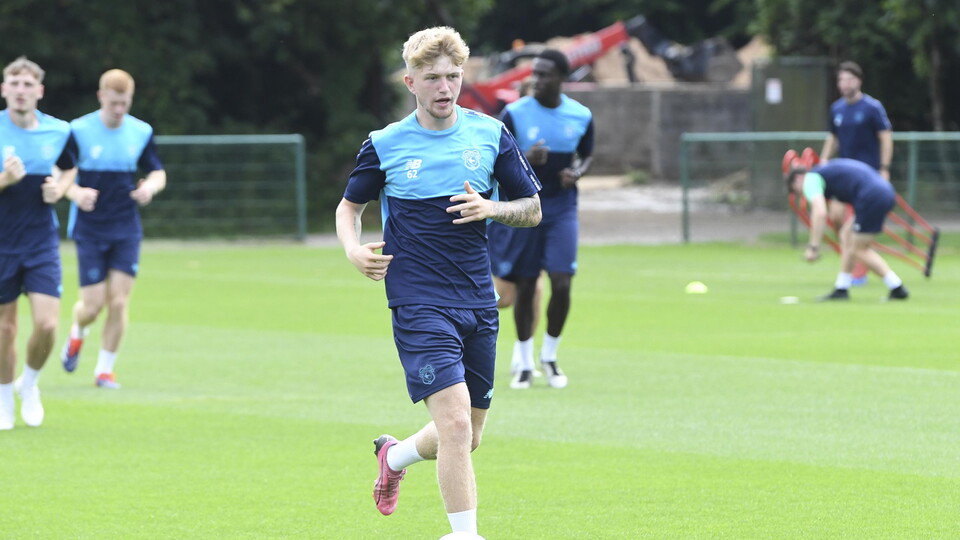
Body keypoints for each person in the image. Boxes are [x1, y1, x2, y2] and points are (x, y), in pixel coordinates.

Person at [334, 27, 541, 537]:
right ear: (411, 82)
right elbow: (349, 208)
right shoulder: (385, 144)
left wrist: (491, 207)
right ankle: (464, 534)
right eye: (432, 78)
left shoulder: (490, 134)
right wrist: (352, 249)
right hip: (417, 300)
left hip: (476, 296)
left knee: (467, 435)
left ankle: (395, 454)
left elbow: (533, 209)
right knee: (452, 424)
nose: (445, 87)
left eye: (452, 76)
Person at [59, 68, 166, 389]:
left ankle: (104, 371)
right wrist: (75, 192)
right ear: (101, 97)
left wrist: (150, 188)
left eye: (126, 103)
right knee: (92, 307)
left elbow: (158, 172)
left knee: (119, 302)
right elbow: (59, 171)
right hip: (90, 228)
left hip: (125, 227)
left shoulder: (141, 132)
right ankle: (77, 333)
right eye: (114, 103)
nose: (120, 110)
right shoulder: (78, 131)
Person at [498, 49, 594, 390]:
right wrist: (524, 157)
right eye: (534, 74)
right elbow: (496, 158)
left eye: (544, 75)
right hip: (525, 206)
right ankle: (524, 362)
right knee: (525, 283)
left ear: (561, 79)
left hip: (562, 207)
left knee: (562, 280)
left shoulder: (580, 115)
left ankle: (550, 356)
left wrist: (577, 171)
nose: (536, 80)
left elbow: (587, 153)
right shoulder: (514, 113)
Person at [0, 56, 78, 429]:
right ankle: (2, 399)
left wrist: (58, 189)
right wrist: (4, 180)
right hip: (2, 242)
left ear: (39, 91)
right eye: (14, 83)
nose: (20, 90)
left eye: (28, 84)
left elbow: (70, 168)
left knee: (47, 325)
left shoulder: (59, 131)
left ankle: (28, 384)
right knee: (5, 328)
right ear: (4, 89)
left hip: (41, 241)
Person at [785, 157, 908, 301]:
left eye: (798, 191)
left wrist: (814, 247)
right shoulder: (824, 172)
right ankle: (841, 288)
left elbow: (820, 213)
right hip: (883, 191)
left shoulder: (810, 179)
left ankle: (897, 288)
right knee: (846, 235)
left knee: (859, 249)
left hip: (871, 196)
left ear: (798, 178)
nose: (803, 194)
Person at [819, 61, 893, 286]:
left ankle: (858, 269)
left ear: (859, 81)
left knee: (859, 226)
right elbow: (833, 138)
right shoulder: (837, 109)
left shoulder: (872, 107)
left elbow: (886, 137)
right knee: (837, 218)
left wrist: (884, 168)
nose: (844, 84)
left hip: (868, 178)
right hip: (845, 178)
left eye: (849, 79)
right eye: (841, 80)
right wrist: (823, 162)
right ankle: (852, 267)